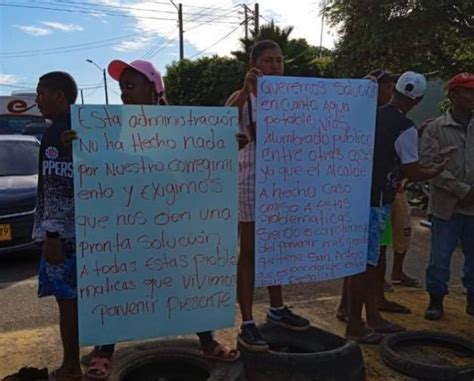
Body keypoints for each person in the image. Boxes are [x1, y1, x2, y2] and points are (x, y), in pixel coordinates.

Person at [63, 60, 239, 379]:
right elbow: (95, 162)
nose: (125, 95)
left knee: (183, 280)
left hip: (171, 223)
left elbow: (201, 161)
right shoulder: (107, 125)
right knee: (115, 280)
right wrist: (75, 143)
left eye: (131, 86)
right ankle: (104, 349)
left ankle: (207, 340)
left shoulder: (183, 127)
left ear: (154, 89)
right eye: (122, 88)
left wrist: (229, 145)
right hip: (123, 225)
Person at [345, 71, 448, 343]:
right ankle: (356, 324)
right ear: (419, 99)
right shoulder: (406, 128)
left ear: (395, 91)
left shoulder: (370, 114)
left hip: (356, 196)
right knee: (365, 265)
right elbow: (411, 170)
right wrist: (434, 170)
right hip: (377, 200)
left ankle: (370, 317)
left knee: (366, 262)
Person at [225, 40, 310, 352]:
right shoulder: (242, 97)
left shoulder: (288, 98)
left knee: (275, 247)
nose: (276, 66)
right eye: (269, 61)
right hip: (250, 181)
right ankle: (247, 321)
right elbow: (222, 121)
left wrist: (363, 90)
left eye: (279, 61)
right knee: (248, 252)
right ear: (254, 64)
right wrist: (247, 91)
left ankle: (277, 308)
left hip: (280, 182)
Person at [337, 69, 411, 321]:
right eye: (387, 87)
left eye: (393, 87)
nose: (391, 93)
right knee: (366, 259)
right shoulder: (368, 118)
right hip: (372, 199)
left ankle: (365, 305)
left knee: (373, 255)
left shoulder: (379, 118)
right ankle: (362, 315)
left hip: (380, 197)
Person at [33, 71, 82, 381]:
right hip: (83, 232)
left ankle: (71, 366)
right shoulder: (80, 130)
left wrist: (51, 236)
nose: (37, 100)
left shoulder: (55, 135)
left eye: (41, 93)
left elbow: (56, 188)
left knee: (67, 305)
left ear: (59, 97)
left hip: (62, 238)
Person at [420, 72, 474, 320]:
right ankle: (436, 301)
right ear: (453, 95)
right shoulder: (435, 129)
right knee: (440, 260)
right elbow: (429, 166)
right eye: (468, 91)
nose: (473, 96)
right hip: (446, 209)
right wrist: (463, 191)